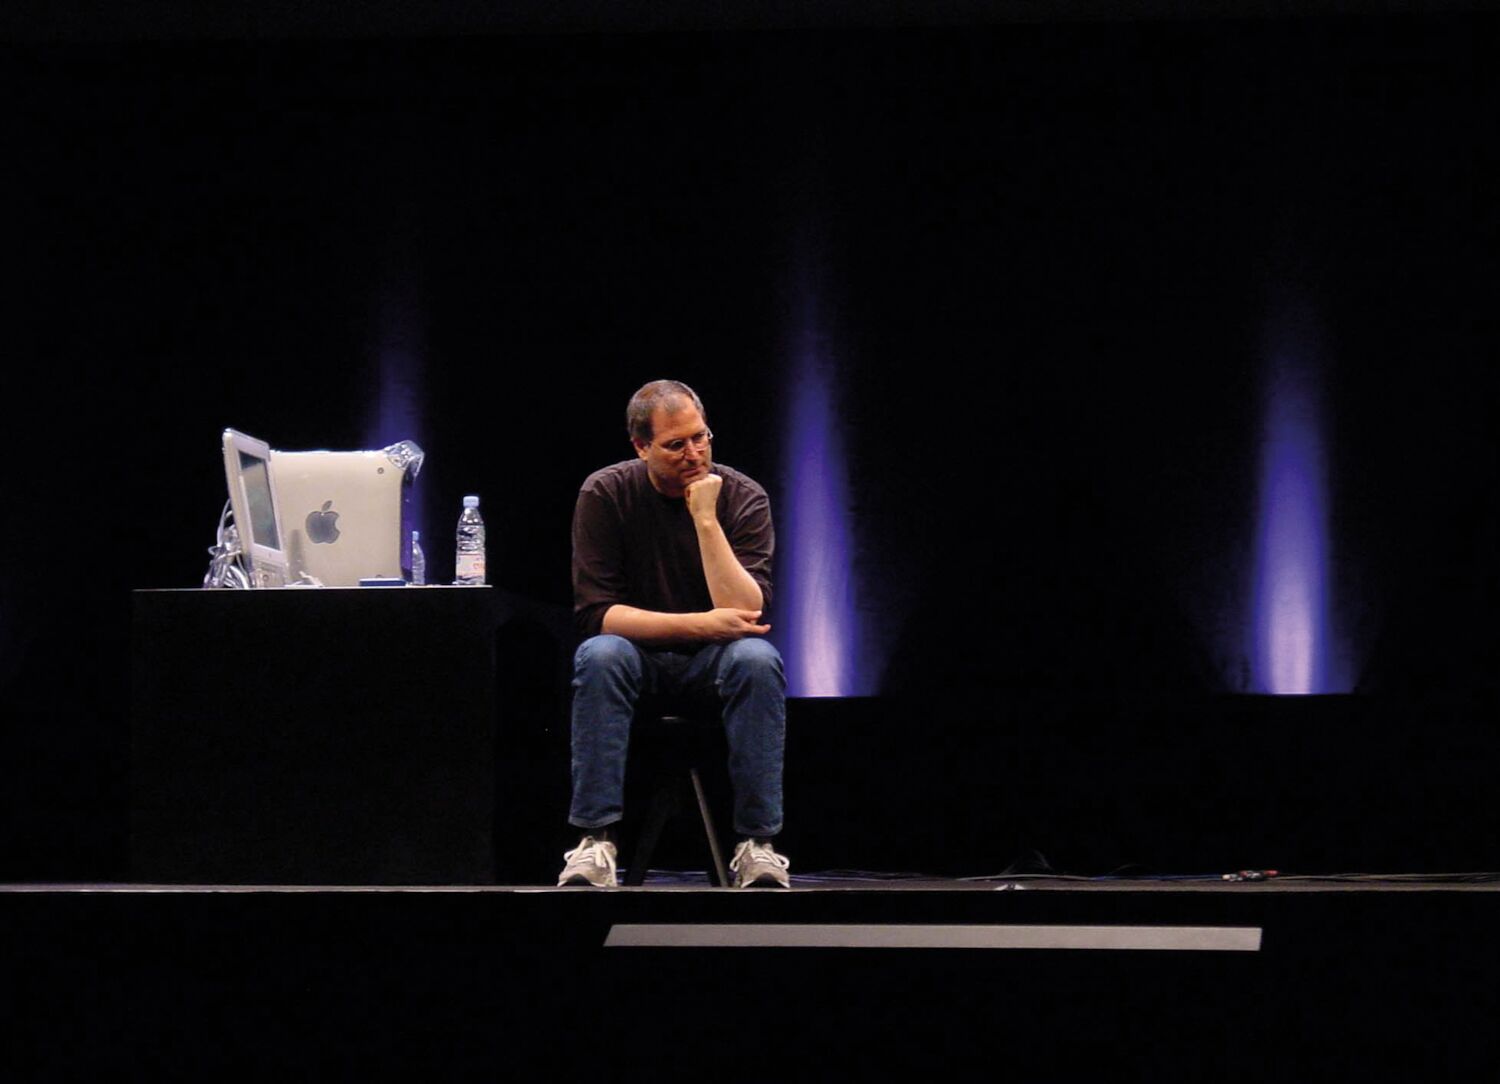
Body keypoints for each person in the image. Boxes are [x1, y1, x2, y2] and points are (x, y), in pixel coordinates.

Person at [558, 379, 790, 889]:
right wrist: (701, 624)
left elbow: (747, 609)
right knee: (599, 654)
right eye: (676, 444)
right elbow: (597, 614)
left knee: (756, 659)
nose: (695, 453)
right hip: (635, 659)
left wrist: (706, 519)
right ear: (641, 447)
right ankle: (595, 842)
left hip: (715, 663)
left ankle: (758, 846)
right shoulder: (606, 493)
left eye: (701, 437)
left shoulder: (742, 496)